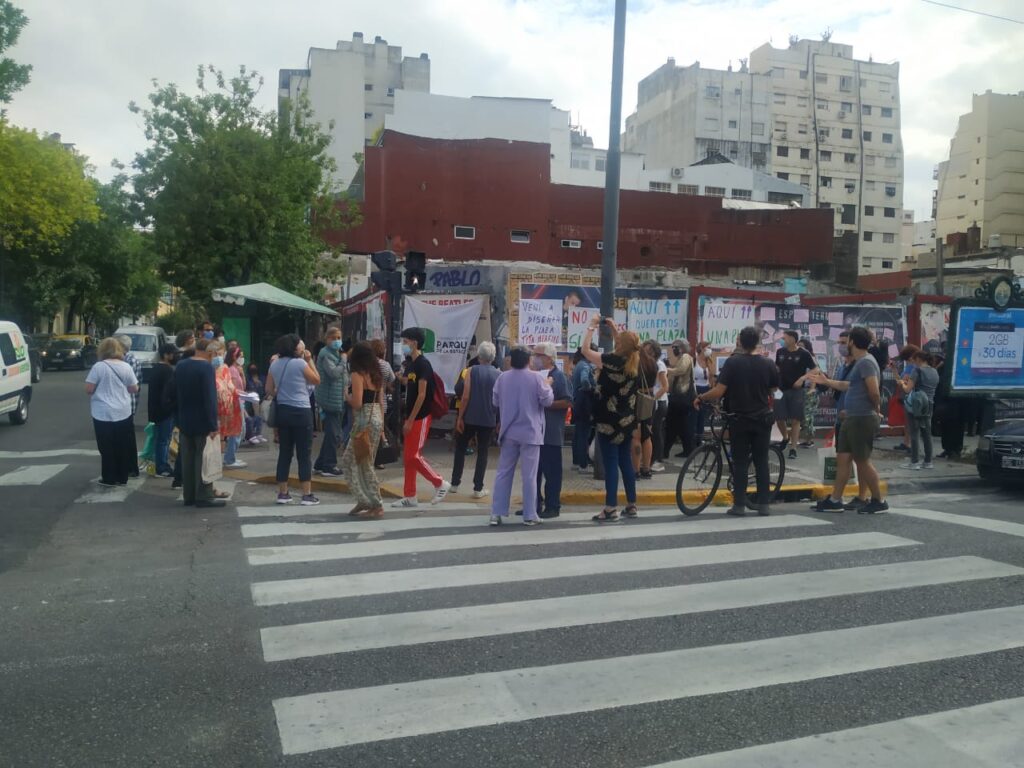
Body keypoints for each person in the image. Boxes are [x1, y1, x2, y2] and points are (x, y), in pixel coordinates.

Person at [695, 326, 780, 517]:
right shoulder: (768, 363)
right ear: (757, 342)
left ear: (740, 341)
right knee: (761, 461)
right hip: (762, 419)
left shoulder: (733, 363)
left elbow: (718, 391)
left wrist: (701, 398)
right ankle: (764, 504)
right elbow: (774, 388)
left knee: (740, 462)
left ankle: (739, 505)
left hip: (740, 419)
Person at [809, 326, 888, 515]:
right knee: (843, 458)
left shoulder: (866, 362)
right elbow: (849, 386)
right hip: (850, 417)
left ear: (852, 342)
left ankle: (879, 500)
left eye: (846, 341)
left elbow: (874, 391)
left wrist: (875, 410)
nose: (844, 345)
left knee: (862, 460)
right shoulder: (860, 363)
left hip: (861, 418)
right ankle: (835, 500)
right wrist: (827, 382)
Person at [580, 317, 642, 522]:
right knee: (625, 462)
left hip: (607, 421)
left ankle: (610, 507)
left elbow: (585, 350)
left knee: (611, 463)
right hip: (627, 421)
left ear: (620, 344)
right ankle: (631, 504)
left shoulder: (609, 360)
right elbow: (624, 346)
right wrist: (615, 329)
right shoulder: (635, 359)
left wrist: (592, 326)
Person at [489, 346, 554, 526]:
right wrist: (548, 385)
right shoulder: (536, 378)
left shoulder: (503, 377)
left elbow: (495, 401)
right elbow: (547, 401)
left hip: (508, 431)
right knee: (529, 476)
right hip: (530, 432)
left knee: (503, 472)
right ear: (528, 361)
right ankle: (529, 514)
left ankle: (497, 512)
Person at [392, 327, 450, 508]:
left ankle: (439, 482)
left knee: (414, 456)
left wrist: (410, 420)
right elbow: (411, 382)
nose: (404, 345)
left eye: (405, 342)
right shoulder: (411, 363)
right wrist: (400, 378)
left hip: (421, 416)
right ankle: (410, 495)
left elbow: (422, 394)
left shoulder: (423, 364)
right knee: (408, 457)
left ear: (414, 342)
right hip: (412, 415)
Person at [266, 334, 322, 506]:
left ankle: (283, 493)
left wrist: (283, 394)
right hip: (301, 411)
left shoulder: (275, 364)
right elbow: (316, 379)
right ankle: (306, 494)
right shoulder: (300, 363)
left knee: (285, 453)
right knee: (304, 454)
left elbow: (269, 389)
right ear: (294, 347)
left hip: (283, 411)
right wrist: (309, 359)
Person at [174, 337, 223, 507]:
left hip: (185, 419)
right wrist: (213, 424)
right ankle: (203, 495)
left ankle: (189, 495)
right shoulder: (206, 368)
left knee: (187, 459)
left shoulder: (181, 365)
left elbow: (174, 393)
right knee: (203, 459)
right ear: (209, 352)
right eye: (215, 352)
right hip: (202, 420)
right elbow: (209, 398)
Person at [85, 338, 140, 487]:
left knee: (106, 446)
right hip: (123, 411)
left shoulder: (98, 367)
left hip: (102, 412)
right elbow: (134, 388)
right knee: (122, 444)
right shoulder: (126, 366)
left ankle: (109, 476)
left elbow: (89, 389)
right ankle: (123, 477)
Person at [340, 342, 386, 518]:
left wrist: (347, 396)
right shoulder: (376, 374)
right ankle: (365, 499)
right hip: (375, 417)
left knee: (356, 462)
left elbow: (358, 403)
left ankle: (374, 502)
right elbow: (381, 402)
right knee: (362, 462)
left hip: (363, 419)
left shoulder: (357, 374)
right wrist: (381, 425)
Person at [451, 341, 500, 499]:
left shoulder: (471, 371)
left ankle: (454, 483)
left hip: (470, 416)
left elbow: (465, 396)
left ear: (479, 355)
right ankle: (478, 488)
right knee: (483, 452)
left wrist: (460, 417)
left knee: (460, 448)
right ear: (493, 357)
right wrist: (499, 419)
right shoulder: (499, 374)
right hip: (488, 418)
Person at [531, 341, 570, 518]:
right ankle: (534, 504)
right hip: (535, 433)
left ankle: (553, 505)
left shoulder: (559, 377)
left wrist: (547, 404)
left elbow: (568, 402)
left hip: (551, 433)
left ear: (547, 357)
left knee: (552, 473)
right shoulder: (536, 375)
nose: (535, 358)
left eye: (537, 355)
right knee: (534, 471)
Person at [774, 330, 817, 461]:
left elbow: (815, 369)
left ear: (793, 339)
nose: (782, 340)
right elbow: (777, 368)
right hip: (780, 390)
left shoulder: (804, 353)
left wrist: (803, 378)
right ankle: (785, 438)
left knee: (795, 420)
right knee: (778, 417)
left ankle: (793, 448)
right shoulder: (780, 352)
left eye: (784, 338)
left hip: (797, 391)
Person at [313, 327, 348, 478]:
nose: (336, 341)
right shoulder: (326, 354)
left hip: (337, 399)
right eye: (333, 338)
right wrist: (344, 361)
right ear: (326, 339)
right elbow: (333, 374)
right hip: (330, 400)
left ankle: (321, 464)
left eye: (338, 337)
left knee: (331, 435)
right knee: (334, 435)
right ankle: (329, 465)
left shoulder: (335, 353)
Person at [899, 350, 939, 470]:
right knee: (927, 433)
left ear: (919, 359)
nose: (913, 362)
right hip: (929, 403)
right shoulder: (934, 371)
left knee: (914, 433)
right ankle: (928, 461)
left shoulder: (917, 370)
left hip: (916, 404)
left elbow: (907, 389)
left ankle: (914, 461)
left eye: (914, 359)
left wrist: (902, 383)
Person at [148, 342, 178, 478]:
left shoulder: (155, 368)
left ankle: (156, 465)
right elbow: (168, 393)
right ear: (166, 355)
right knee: (164, 440)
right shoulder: (167, 371)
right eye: (173, 354)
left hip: (155, 410)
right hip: (165, 412)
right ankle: (162, 467)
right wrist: (172, 407)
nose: (175, 356)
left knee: (158, 439)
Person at [633, 342, 661, 480]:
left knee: (636, 437)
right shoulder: (654, 364)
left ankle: (636, 470)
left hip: (638, 400)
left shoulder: (637, 363)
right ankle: (647, 468)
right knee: (647, 436)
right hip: (650, 399)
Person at [664, 339, 696, 460]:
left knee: (674, 424)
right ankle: (687, 450)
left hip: (682, 397)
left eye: (675, 347)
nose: (673, 350)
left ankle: (666, 450)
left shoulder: (686, 357)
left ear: (681, 348)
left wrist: (666, 369)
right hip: (678, 397)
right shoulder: (681, 358)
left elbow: (681, 371)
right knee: (680, 425)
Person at [117, 334, 143, 477]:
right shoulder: (126, 360)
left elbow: (129, 384)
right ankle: (128, 467)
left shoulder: (129, 361)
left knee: (127, 438)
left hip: (127, 404)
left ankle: (130, 468)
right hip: (126, 403)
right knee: (126, 437)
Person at [218, 345, 246, 469]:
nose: (242, 358)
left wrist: (242, 374)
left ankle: (231, 457)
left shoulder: (236, 369)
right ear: (235, 356)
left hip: (239, 400)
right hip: (235, 402)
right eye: (241, 356)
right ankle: (230, 458)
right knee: (237, 431)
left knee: (238, 431)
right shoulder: (231, 370)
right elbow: (235, 389)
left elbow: (242, 386)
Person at [644, 340, 670, 474]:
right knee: (652, 430)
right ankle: (651, 459)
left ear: (653, 351)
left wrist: (653, 398)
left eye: (647, 349)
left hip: (659, 402)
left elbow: (665, 386)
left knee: (656, 430)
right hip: (652, 400)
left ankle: (658, 460)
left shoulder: (659, 365)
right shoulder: (649, 363)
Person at [570, 347, 597, 472]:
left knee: (577, 434)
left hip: (577, 403)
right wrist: (591, 388)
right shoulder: (586, 366)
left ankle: (576, 462)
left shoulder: (578, 365)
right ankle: (583, 464)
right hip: (584, 404)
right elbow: (585, 380)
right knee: (583, 435)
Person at [692, 340, 715, 447]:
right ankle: (692, 439)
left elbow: (711, 377)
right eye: (707, 347)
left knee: (702, 415)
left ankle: (699, 440)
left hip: (706, 388)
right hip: (696, 388)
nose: (709, 350)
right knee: (695, 415)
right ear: (701, 348)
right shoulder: (694, 360)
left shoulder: (709, 360)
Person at [797, 337, 819, 448]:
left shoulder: (811, 358)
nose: (799, 347)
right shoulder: (799, 357)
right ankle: (806, 439)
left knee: (808, 416)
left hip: (809, 390)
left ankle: (809, 440)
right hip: (801, 390)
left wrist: (812, 389)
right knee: (802, 416)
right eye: (798, 345)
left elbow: (816, 374)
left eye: (802, 346)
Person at [244, 363, 267, 444]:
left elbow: (266, 389)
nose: (253, 369)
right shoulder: (247, 378)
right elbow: (245, 389)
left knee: (260, 416)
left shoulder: (262, 378)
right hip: (250, 399)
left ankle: (258, 434)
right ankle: (252, 435)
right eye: (251, 368)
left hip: (262, 399)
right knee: (251, 417)